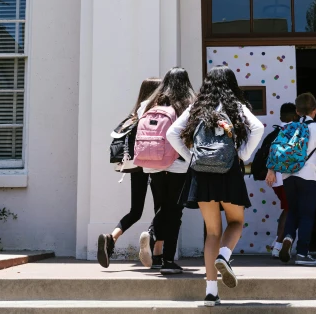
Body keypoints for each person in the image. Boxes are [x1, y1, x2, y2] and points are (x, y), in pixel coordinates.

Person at [167, 66, 264, 307]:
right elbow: (258, 128)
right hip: (228, 171)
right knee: (236, 222)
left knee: (212, 232)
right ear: (231, 84)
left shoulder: (197, 107)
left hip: (201, 173)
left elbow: (172, 133)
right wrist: (242, 154)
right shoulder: (237, 107)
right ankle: (225, 255)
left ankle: (211, 292)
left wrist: (191, 156)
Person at [97, 77, 161, 269]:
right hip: (156, 163)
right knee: (162, 207)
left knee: (136, 210)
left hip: (136, 164)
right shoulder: (157, 110)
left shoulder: (135, 113)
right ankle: (156, 251)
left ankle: (112, 237)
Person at [266, 92, 316, 266]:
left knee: (293, 211)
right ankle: (303, 254)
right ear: (315, 110)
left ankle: (288, 238)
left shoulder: (289, 127)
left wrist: (272, 170)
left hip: (288, 176)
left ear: (297, 111)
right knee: (306, 215)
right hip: (309, 177)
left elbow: (275, 149)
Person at [138, 68, 196, 275]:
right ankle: (167, 260)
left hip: (153, 163)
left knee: (162, 207)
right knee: (175, 211)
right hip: (178, 164)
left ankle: (154, 245)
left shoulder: (148, 104)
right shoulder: (188, 104)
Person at [260, 102, 298, 258]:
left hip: (276, 180)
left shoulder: (275, 133)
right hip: (289, 178)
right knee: (290, 210)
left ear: (281, 116)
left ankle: (278, 244)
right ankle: (279, 245)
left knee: (288, 209)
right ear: (295, 116)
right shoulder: (296, 130)